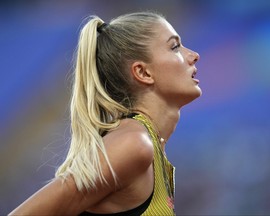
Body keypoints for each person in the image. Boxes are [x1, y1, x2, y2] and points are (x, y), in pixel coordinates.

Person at [9, 11, 201, 215]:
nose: (193, 55)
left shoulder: (149, 147)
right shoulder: (134, 144)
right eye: (174, 47)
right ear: (143, 73)